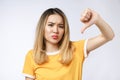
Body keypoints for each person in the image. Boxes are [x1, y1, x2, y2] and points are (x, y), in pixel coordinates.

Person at [22, 8, 114, 80]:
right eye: (51, 25)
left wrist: (98, 20)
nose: (56, 30)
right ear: (42, 28)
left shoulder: (77, 48)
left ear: (65, 30)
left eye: (61, 26)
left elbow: (109, 36)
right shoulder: (32, 56)